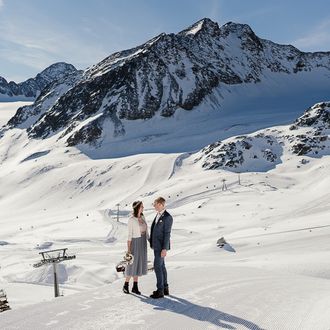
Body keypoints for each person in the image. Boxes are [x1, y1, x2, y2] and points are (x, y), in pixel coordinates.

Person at [149, 197, 173, 299]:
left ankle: (160, 291)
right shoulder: (158, 215)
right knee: (162, 266)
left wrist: (164, 249)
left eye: (155, 204)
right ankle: (165, 288)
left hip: (161, 247)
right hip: (156, 246)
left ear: (160, 204)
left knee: (157, 267)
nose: (154, 206)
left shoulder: (167, 217)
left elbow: (167, 234)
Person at [123, 201, 149, 295]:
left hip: (143, 242)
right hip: (135, 242)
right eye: (142, 206)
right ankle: (125, 285)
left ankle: (135, 287)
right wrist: (129, 249)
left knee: (138, 264)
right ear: (137, 207)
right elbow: (129, 235)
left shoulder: (142, 217)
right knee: (132, 264)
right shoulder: (131, 219)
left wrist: (149, 240)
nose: (143, 208)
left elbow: (146, 230)